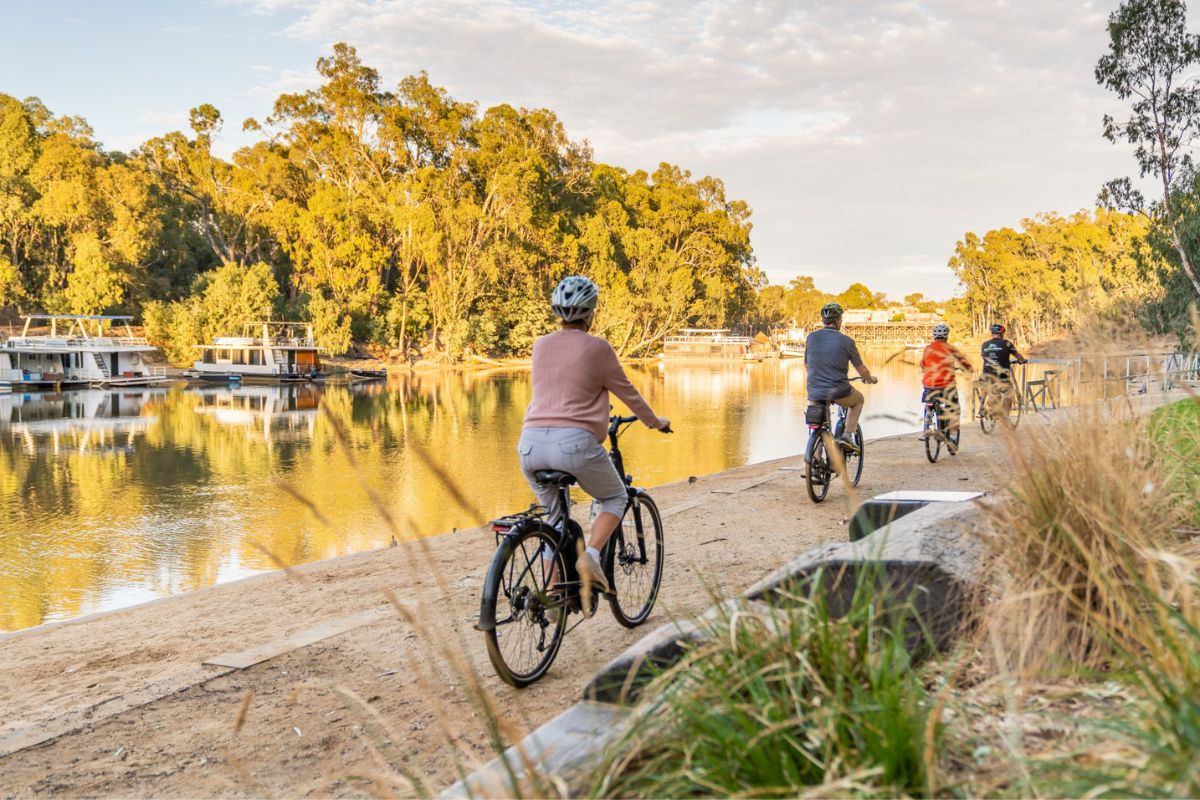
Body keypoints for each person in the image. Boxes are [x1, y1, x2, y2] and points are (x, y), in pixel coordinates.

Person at [519, 275, 670, 604]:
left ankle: (550, 595)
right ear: (591, 313)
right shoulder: (598, 348)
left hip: (529, 445)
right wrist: (654, 422)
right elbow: (628, 393)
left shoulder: (540, 345)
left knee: (554, 519)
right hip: (573, 445)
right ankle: (590, 555)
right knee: (615, 498)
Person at [805, 303, 878, 451]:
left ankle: (816, 462)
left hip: (814, 390)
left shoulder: (811, 338)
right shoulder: (847, 341)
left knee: (818, 424)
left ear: (823, 321)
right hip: (838, 390)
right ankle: (848, 435)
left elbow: (807, 365)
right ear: (838, 321)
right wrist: (870, 379)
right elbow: (862, 370)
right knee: (859, 400)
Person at [920, 323, 972, 451]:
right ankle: (953, 438)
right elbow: (966, 365)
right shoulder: (951, 348)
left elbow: (922, 365)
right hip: (947, 387)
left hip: (929, 386)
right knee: (954, 409)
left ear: (934, 336)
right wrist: (968, 369)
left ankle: (928, 420)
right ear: (947, 336)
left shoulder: (928, 349)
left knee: (929, 401)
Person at [980, 323, 1027, 419]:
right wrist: (1022, 361)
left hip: (986, 374)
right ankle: (1004, 416)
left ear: (992, 333)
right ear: (1002, 334)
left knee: (991, 390)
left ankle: (986, 408)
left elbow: (984, 356)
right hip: (1001, 375)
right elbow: (1018, 356)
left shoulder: (984, 344)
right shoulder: (1007, 343)